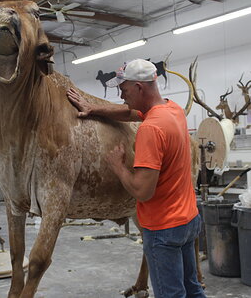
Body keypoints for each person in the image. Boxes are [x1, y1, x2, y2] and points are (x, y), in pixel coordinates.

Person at [67, 59, 206, 298]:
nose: (122, 97)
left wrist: (118, 166)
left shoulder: (150, 129)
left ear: (139, 88)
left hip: (163, 229)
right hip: (188, 220)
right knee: (192, 288)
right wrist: (92, 108)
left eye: (124, 90)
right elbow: (130, 112)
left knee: (171, 294)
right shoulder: (173, 110)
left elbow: (143, 191)